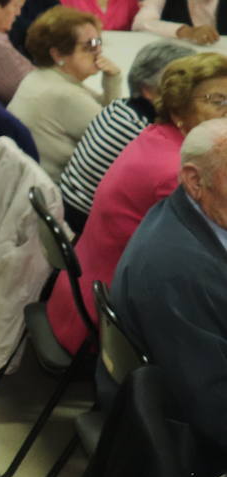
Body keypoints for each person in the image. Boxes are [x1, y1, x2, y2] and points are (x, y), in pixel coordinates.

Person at [49, 53, 227, 356]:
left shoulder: (158, 136)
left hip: (77, 296)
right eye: (217, 101)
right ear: (178, 109)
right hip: (105, 324)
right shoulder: (178, 173)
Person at [112, 118, 227, 460]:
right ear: (195, 180)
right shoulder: (182, 272)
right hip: (189, 446)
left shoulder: (186, 212)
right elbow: (213, 409)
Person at [58, 40, 196, 230]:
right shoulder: (143, 134)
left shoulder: (119, 107)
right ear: (148, 91)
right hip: (88, 223)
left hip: (70, 209)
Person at [6, 6, 122, 180]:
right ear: (58, 55)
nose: (98, 51)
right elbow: (119, 141)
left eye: (99, 42)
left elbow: (107, 118)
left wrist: (112, 79)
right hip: (57, 193)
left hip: (29, 182)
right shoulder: (63, 95)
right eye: (89, 45)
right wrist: (115, 81)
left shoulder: (40, 76)